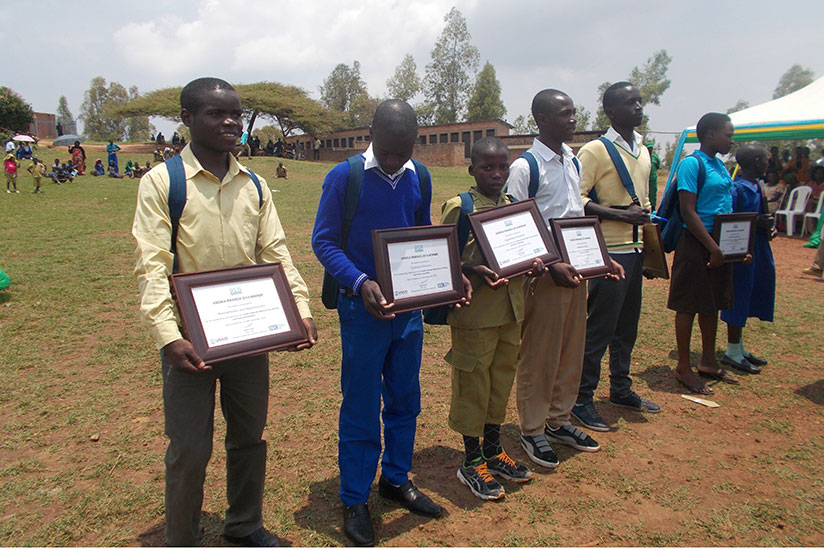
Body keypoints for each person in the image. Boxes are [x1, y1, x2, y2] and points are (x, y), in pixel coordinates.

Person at [133, 77, 317, 547]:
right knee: (190, 450)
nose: (231, 122)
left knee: (250, 437)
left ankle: (245, 524)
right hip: (189, 339)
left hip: (248, 334)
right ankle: (182, 539)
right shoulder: (163, 182)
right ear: (188, 120)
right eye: (217, 113)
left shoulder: (254, 184)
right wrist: (167, 335)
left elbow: (276, 252)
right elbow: (152, 263)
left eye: (235, 113)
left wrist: (299, 310)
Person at [312, 100, 467, 547]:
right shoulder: (346, 176)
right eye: (390, 150)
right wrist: (361, 282)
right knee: (361, 402)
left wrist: (445, 279)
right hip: (363, 310)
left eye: (406, 150)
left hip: (407, 309)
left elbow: (422, 237)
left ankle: (395, 479)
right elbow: (323, 241)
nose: (398, 159)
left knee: (405, 396)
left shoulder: (419, 174)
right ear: (372, 135)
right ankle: (355, 498)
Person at [507, 89, 623, 468]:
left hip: (579, 270)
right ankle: (533, 428)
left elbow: (576, 218)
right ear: (540, 119)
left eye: (574, 113)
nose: (573, 119)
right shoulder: (526, 167)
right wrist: (550, 262)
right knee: (541, 352)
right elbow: (515, 226)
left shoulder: (572, 160)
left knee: (571, 347)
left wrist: (601, 259)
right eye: (564, 114)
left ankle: (559, 419)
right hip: (545, 275)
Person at [442, 137, 540, 501]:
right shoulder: (460, 206)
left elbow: (527, 250)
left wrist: (535, 262)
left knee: (500, 382)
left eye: (503, 167)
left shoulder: (515, 207)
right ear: (472, 169)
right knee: (474, 385)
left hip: (512, 311)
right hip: (476, 315)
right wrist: (474, 268)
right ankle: (470, 461)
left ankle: (493, 451)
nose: (497, 174)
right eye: (487, 167)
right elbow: (444, 259)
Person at [573, 82, 659, 433]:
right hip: (608, 251)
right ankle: (581, 399)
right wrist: (621, 216)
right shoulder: (595, 151)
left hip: (636, 250)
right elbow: (576, 200)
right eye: (630, 102)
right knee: (599, 328)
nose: (639, 106)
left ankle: (621, 388)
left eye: (640, 101)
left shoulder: (644, 148)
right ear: (610, 111)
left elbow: (645, 203)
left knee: (627, 327)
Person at [668, 112, 742, 395]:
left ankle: (709, 361)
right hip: (697, 244)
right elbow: (688, 211)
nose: (731, 140)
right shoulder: (692, 164)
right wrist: (712, 246)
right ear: (710, 134)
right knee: (688, 304)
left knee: (712, 303)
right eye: (728, 134)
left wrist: (736, 248)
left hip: (720, 245)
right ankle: (683, 368)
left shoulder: (720, 166)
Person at [720, 145, 775, 374]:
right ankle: (732, 350)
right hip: (742, 250)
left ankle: (739, 346)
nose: (768, 163)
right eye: (765, 159)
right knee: (739, 294)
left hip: (759, 247)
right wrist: (757, 221)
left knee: (753, 291)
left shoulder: (757, 186)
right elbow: (730, 219)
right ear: (754, 160)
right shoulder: (738, 189)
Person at [646, 141, 660, 210]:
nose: (650, 149)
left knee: (653, 193)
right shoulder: (644, 156)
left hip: (653, 178)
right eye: (648, 148)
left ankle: (653, 207)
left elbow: (658, 166)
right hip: (645, 178)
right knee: (645, 193)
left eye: (651, 148)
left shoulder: (655, 157)